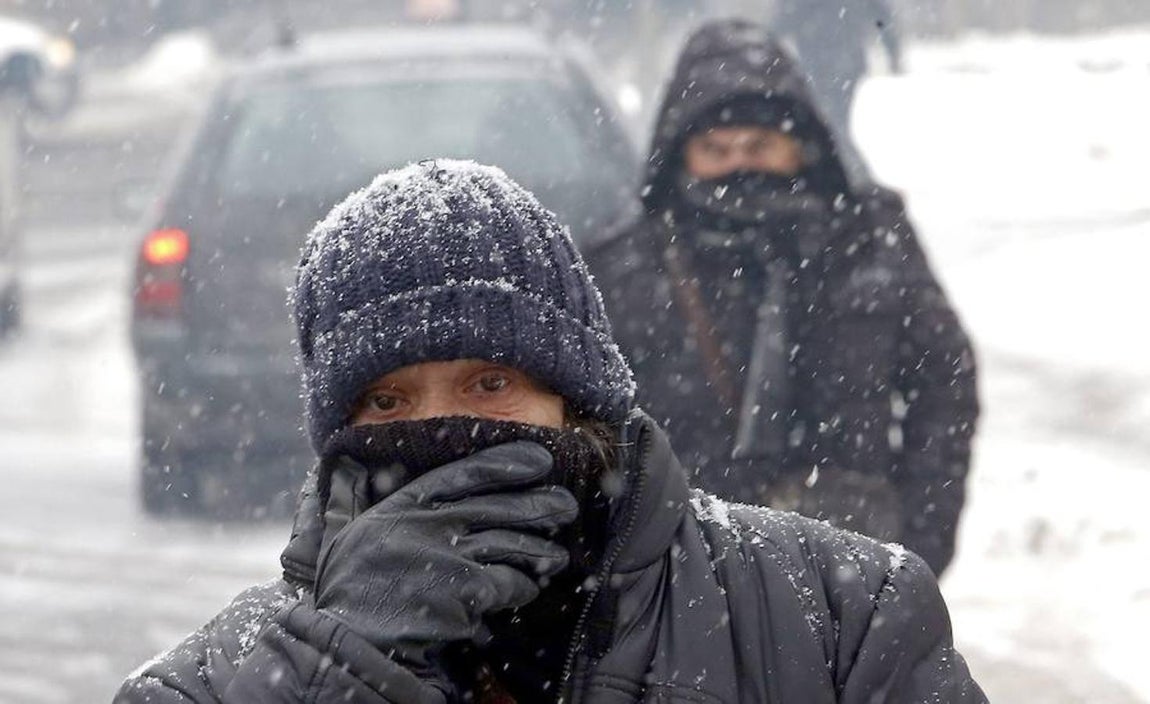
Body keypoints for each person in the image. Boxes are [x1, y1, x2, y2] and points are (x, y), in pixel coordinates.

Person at [115, 160, 985, 703]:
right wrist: (341, 667)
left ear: (578, 399)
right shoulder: (210, 685)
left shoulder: (840, 618)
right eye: (387, 403)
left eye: (489, 383)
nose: (443, 432)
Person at [587, 20, 978, 575]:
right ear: (680, 155)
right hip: (686, 576)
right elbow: (589, 427)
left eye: (760, 145)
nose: (739, 165)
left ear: (801, 148)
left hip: (855, 567)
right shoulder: (627, 264)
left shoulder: (868, 239)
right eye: (715, 149)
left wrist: (921, 539)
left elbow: (945, 383)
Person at [769, 0, 903, 174]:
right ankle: (846, 173)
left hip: (824, 65)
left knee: (831, 123)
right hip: (841, 64)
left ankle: (850, 175)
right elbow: (881, 17)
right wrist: (891, 49)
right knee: (833, 122)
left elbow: (784, 21)